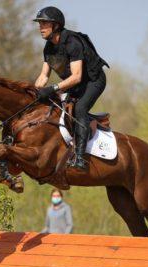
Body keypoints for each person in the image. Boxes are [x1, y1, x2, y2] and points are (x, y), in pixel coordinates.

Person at [33, 6, 109, 171]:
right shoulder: (48, 47)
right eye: (40, 24)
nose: (40, 28)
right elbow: (43, 76)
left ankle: (81, 158)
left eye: (44, 23)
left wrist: (53, 88)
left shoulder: (72, 42)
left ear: (56, 26)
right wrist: (33, 92)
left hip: (94, 81)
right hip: (77, 83)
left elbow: (76, 76)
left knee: (80, 108)